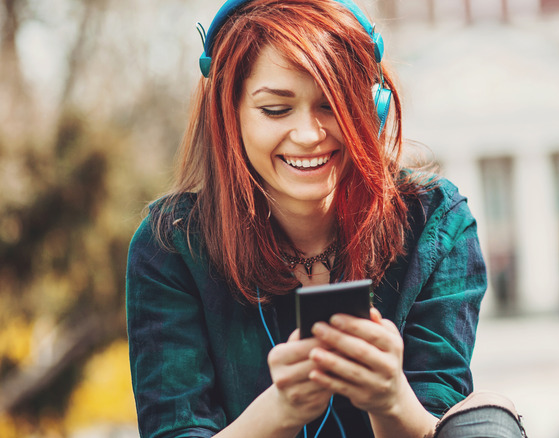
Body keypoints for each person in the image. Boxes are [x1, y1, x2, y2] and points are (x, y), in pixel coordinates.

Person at [125, 0, 526, 437]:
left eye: (331, 105)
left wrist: (391, 401)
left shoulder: (436, 223)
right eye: (276, 110)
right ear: (229, 113)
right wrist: (278, 412)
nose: (309, 135)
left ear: (373, 106)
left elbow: (442, 421)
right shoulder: (170, 246)